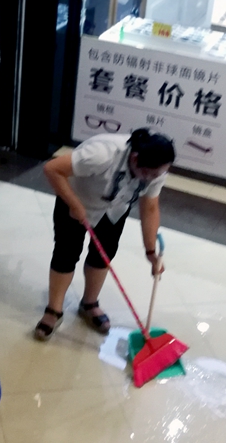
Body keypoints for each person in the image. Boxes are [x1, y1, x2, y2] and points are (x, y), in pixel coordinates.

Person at [34, 128, 175, 341]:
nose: (156, 178)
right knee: (66, 253)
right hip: (76, 201)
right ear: (135, 159)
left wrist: (150, 251)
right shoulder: (101, 154)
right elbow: (52, 169)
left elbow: (150, 207)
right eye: (152, 174)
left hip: (114, 208)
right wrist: (74, 204)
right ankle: (54, 310)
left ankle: (89, 303)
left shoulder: (155, 171)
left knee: (103, 255)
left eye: (160, 174)